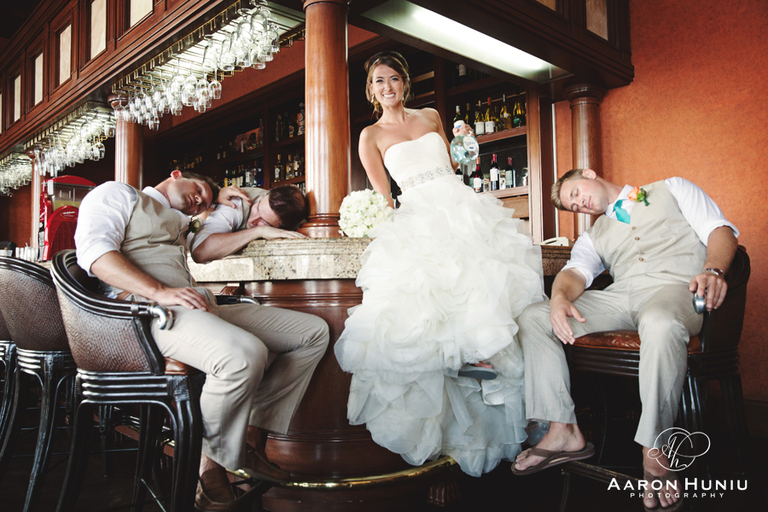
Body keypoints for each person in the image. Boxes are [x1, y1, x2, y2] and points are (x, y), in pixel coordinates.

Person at [333, 51, 545, 477]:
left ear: (405, 83)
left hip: (462, 207)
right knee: (431, 310)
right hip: (417, 215)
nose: (387, 86)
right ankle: (447, 427)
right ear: (371, 90)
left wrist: (467, 144)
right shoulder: (369, 135)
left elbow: (456, 166)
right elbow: (383, 196)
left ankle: (488, 372)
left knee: (484, 290)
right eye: (378, 81)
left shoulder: (430, 115)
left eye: (393, 78)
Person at [74, 170, 330, 512]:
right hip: (143, 314)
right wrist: (160, 292)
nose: (200, 201)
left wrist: (219, 198)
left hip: (194, 306)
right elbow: (94, 255)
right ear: (175, 174)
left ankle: (250, 439)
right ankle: (209, 469)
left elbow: (251, 203)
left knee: (312, 333)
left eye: (205, 202)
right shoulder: (117, 194)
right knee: (243, 355)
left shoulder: (186, 218)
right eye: (197, 190)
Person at [513, 168, 738, 512]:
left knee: (660, 322)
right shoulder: (596, 233)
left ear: (589, 174)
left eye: (576, 193)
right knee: (534, 315)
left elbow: (719, 230)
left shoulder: (671, 188)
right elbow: (575, 272)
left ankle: (655, 449)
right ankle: (563, 429)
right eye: (574, 207)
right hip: (621, 298)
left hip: (675, 288)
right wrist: (558, 298)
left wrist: (714, 270)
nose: (580, 205)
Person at [191, 184, 309, 263]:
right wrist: (259, 230)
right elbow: (200, 252)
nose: (253, 220)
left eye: (264, 221)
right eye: (257, 208)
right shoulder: (236, 202)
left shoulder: (299, 223)